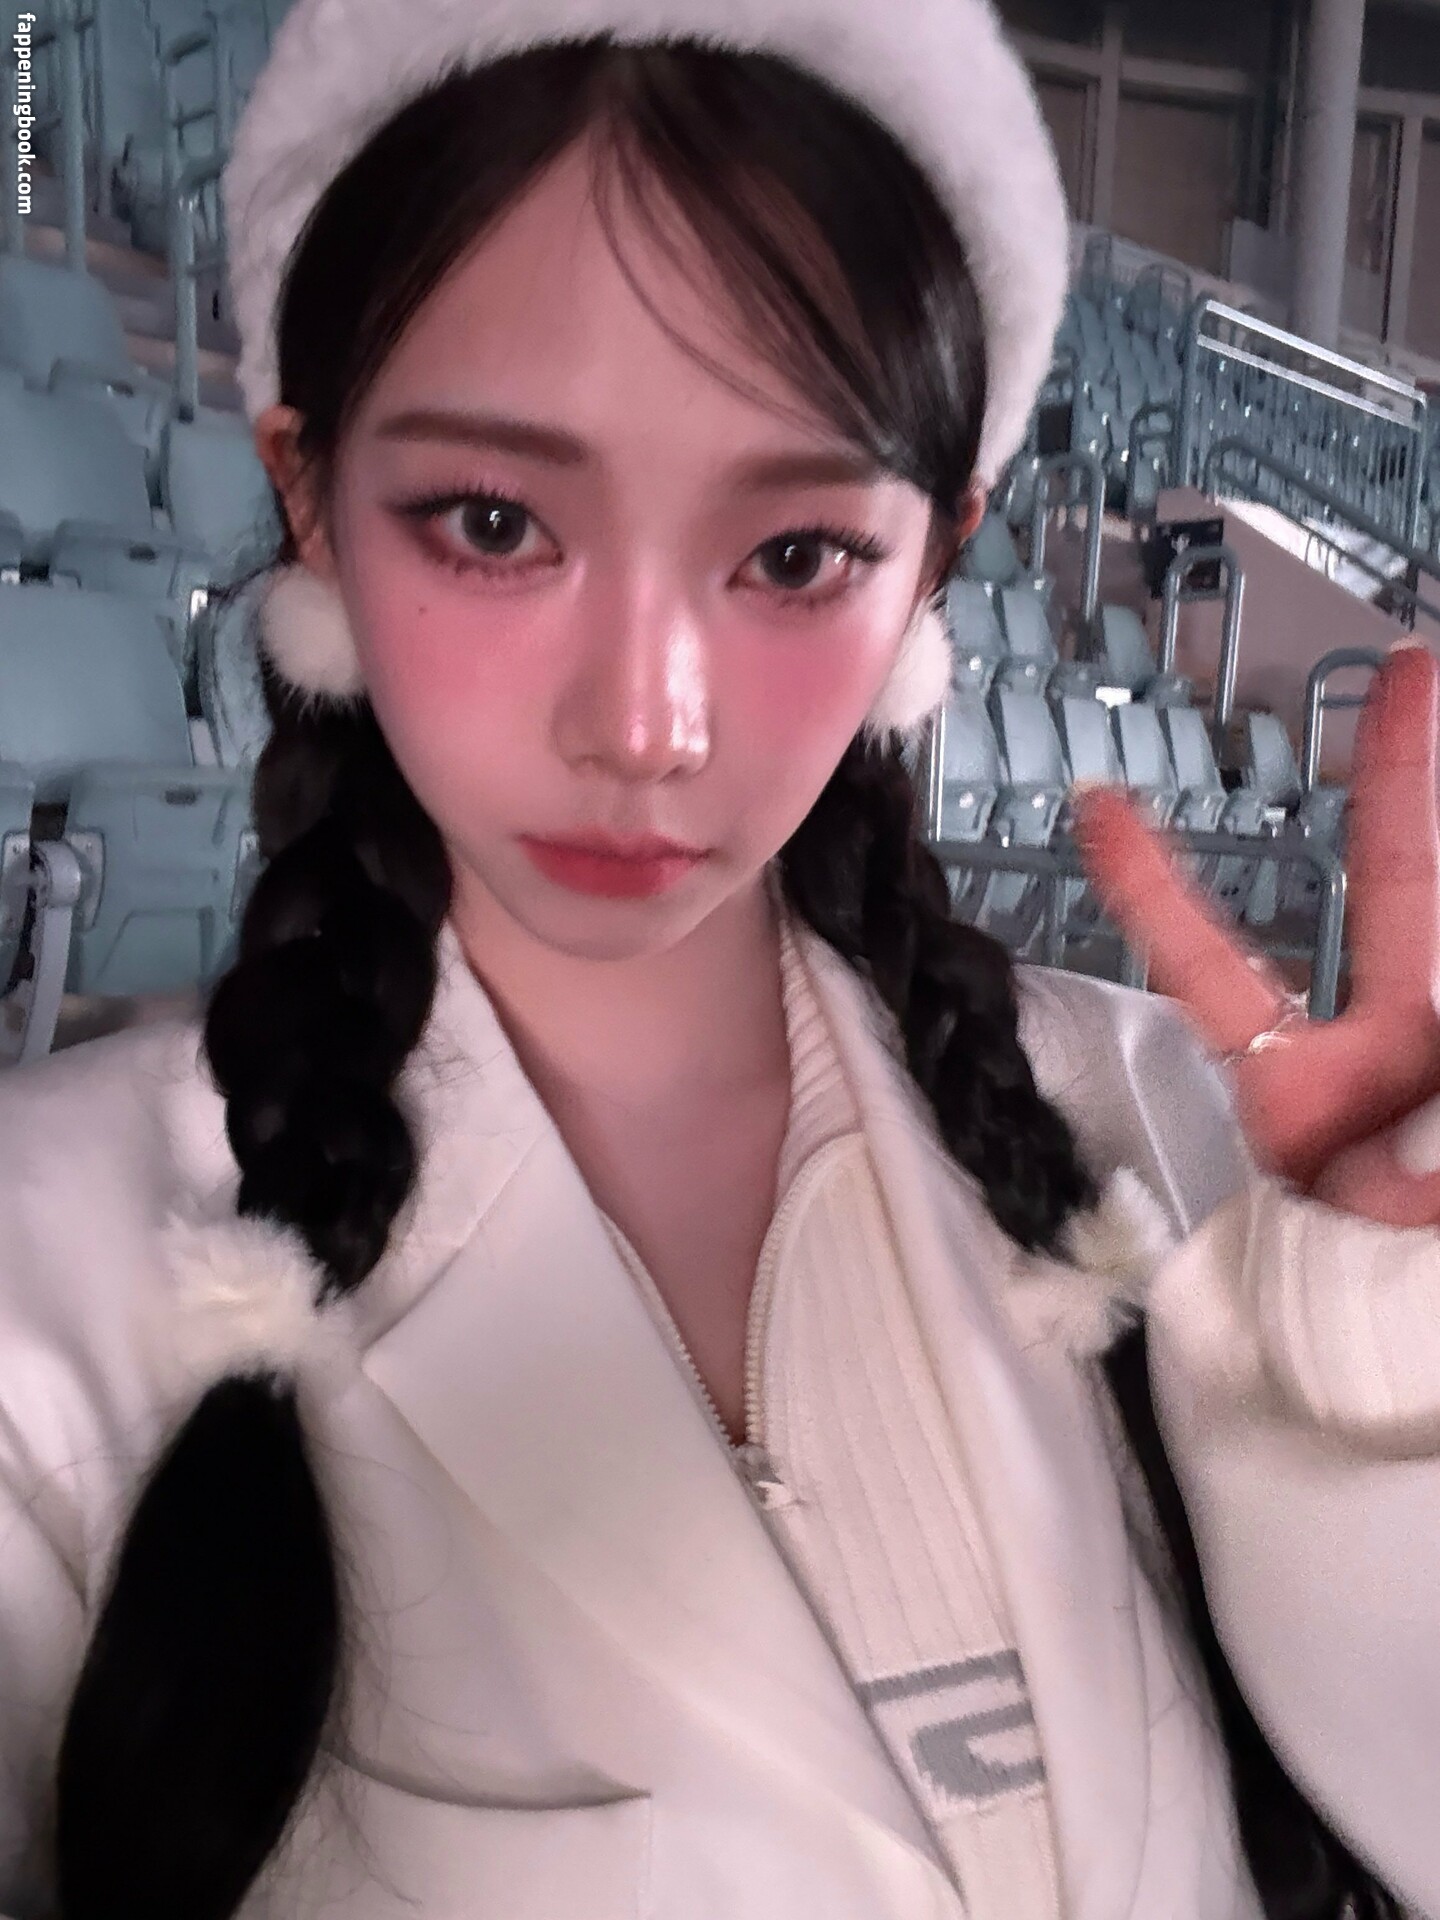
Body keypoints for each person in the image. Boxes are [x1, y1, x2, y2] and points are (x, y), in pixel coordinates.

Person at [0, 1, 1437, 1916]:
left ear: (937, 563)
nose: (646, 724)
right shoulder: (45, 1279)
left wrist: (1385, 1392)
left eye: (795, 555)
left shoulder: (1169, 1138)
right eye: (496, 523)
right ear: (309, 500)